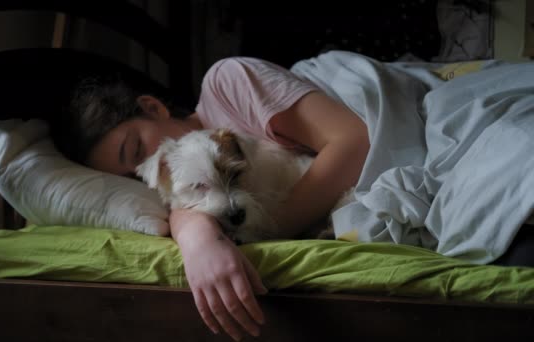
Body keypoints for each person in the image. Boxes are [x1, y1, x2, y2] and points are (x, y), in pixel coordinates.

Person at [53, 56, 370, 341]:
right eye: (126, 179)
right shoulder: (170, 182)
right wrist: (196, 238)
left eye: (136, 150)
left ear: (153, 108)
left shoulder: (226, 83)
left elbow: (357, 139)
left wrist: (266, 228)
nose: (140, 174)